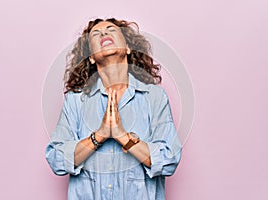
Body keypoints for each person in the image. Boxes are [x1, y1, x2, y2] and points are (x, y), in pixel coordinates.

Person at [45, 18, 182, 200]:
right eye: (96, 34)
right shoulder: (76, 101)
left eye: (111, 30)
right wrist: (99, 136)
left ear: (127, 48)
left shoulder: (154, 97)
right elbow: (56, 159)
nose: (103, 34)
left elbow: (169, 160)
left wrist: (122, 137)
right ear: (91, 57)